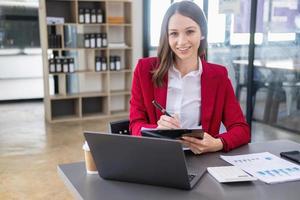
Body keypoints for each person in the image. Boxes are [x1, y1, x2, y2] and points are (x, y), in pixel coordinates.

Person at [129, 1, 250, 154]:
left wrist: (218, 143)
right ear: (167, 36)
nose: (182, 41)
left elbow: (241, 129)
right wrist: (157, 131)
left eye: (190, 31)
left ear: (202, 32)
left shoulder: (218, 76)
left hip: (202, 159)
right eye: (174, 33)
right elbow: (135, 125)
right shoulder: (145, 70)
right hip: (157, 157)